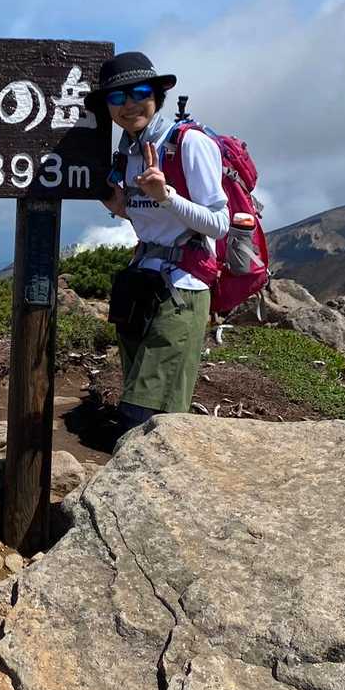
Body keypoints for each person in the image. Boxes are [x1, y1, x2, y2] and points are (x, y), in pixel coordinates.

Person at [85, 51, 229, 433]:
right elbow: (149, 220)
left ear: (157, 95)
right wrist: (119, 205)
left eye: (140, 93)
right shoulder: (128, 152)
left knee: (144, 416)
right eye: (117, 97)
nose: (129, 104)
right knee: (142, 403)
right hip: (140, 287)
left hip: (182, 289)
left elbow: (219, 224)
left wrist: (167, 196)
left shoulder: (189, 144)